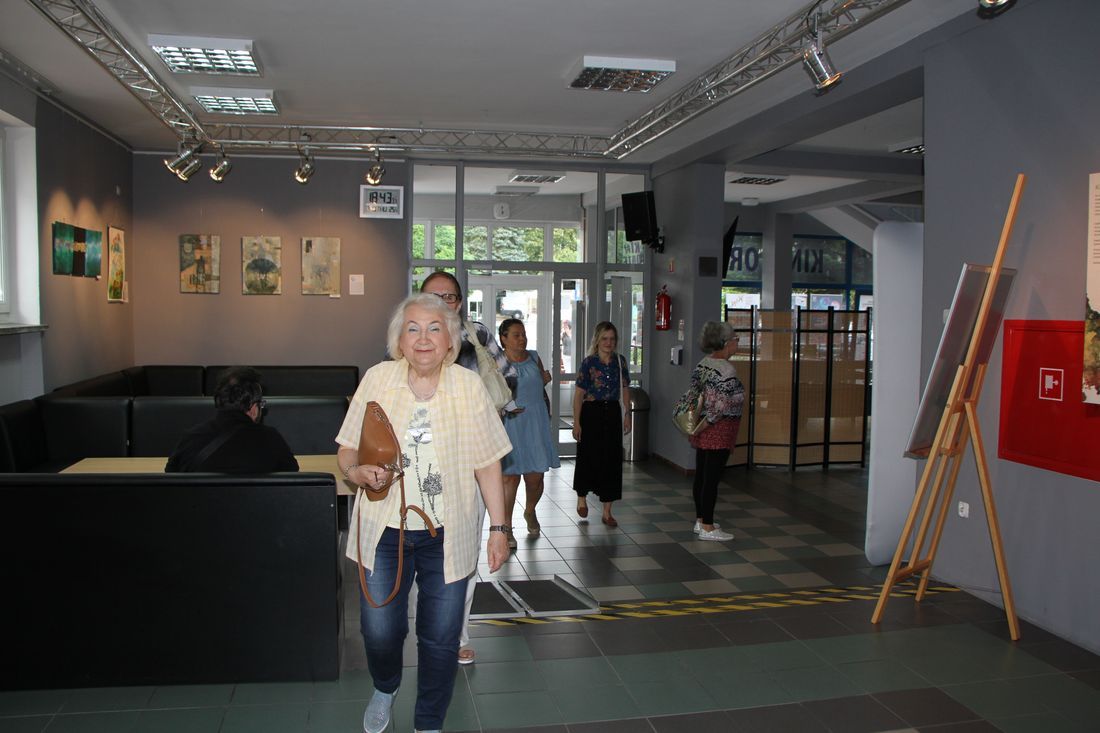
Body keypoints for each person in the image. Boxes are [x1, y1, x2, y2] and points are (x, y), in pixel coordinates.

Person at [336, 293, 511, 733]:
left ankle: (428, 721)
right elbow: (347, 449)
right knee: (379, 630)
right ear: (399, 340)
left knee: (441, 637)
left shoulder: (468, 387)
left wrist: (498, 527)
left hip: (447, 534)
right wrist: (356, 472)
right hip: (383, 530)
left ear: (451, 340)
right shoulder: (377, 379)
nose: (423, 338)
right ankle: (385, 686)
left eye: (435, 329)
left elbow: (488, 461)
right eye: (412, 329)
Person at [420, 271, 513, 667]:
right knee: (424, 550)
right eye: (433, 295)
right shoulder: (410, 336)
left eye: (449, 297)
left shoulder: (478, 335)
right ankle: (430, 626)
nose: (442, 303)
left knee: (465, 550)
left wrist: (481, 411)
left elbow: (508, 378)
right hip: (423, 460)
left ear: (459, 302)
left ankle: (457, 633)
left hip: (471, 457)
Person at [165, 366, 298, 473]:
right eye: (260, 405)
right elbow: (291, 474)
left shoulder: (191, 437)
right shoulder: (271, 439)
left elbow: (171, 475)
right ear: (253, 408)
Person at [498, 318, 560, 541]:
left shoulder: (534, 357)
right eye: (516, 335)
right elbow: (491, 393)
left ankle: (530, 510)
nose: (522, 339)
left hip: (535, 423)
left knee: (535, 478)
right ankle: (506, 527)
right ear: (503, 339)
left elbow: (538, 386)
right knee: (510, 479)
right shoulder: (497, 363)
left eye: (523, 334)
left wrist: (543, 380)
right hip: (510, 424)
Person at [684, 321, 745, 542]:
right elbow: (719, 407)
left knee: (702, 475)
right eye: (736, 339)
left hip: (702, 427)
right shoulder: (727, 370)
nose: (737, 342)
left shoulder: (703, 363)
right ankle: (708, 527)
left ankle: (701, 520)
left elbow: (694, 394)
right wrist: (706, 424)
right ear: (727, 342)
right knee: (712, 479)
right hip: (718, 429)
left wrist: (697, 426)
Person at [572, 321, 631, 527]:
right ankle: (582, 497)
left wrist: (627, 414)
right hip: (591, 413)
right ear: (597, 340)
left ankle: (607, 511)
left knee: (612, 460)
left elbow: (625, 389)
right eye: (605, 338)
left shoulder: (620, 362)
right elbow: (578, 395)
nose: (608, 343)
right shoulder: (589, 362)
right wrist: (576, 422)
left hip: (612, 411)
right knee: (587, 456)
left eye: (612, 339)